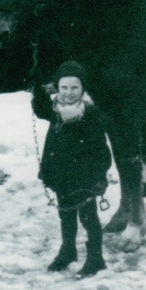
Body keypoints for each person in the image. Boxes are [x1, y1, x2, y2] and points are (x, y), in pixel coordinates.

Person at [32, 60, 111, 278]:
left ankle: (96, 257)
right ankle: (68, 251)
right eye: (64, 87)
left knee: (88, 217)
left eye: (74, 88)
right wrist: (37, 87)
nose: (68, 93)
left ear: (83, 89)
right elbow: (39, 108)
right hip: (61, 175)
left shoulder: (90, 114)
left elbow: (101, 150)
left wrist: (99, 175)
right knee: (65, 214)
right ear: (57, 88)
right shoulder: (55, 110)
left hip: (85, 177)